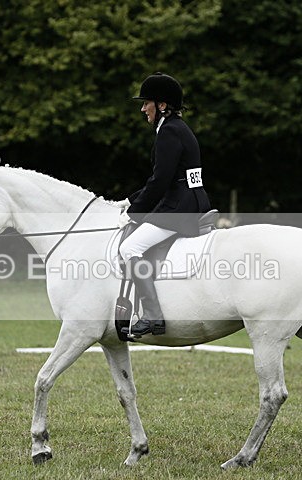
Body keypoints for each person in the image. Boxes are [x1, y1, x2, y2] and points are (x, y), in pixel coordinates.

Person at [119, 72, 212, 338]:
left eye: (146, 103)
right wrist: (129, 200)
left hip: (179, 208)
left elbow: (160, 182)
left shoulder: (169, 132)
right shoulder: (178, 129)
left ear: (162, 105)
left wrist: (133, 214)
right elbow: (163, 180)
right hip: (190, 200)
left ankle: (152, 316)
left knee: (130, 246)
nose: (142, 108)